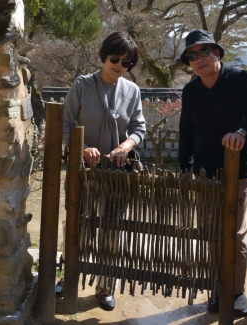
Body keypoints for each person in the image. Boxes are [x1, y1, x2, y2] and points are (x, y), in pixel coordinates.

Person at [177, 29, 247, 317]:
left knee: (235, 233)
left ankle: (236, 292)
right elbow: (186, 131)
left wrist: (241, 132)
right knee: (211, 232)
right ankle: (219, 287)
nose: (199, 59)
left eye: (204, 51)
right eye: (192, 56)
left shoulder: (239, 78)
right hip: (205, 172)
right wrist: (184, 167)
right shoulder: (191, 91)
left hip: (238, 171)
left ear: (217, 53)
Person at [61, 31, 147, 310]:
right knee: (78, 224)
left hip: (117, 174)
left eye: (127, 62)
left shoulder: (132, 91)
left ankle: (105, 285)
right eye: (115, 58)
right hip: (83, 172)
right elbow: (64, 125)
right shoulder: (82, 85)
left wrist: (124, 147)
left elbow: (139, 128)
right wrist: (84, 148)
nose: (120, 65)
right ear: (103, 56)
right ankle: (68, 276)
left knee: (112, 229)